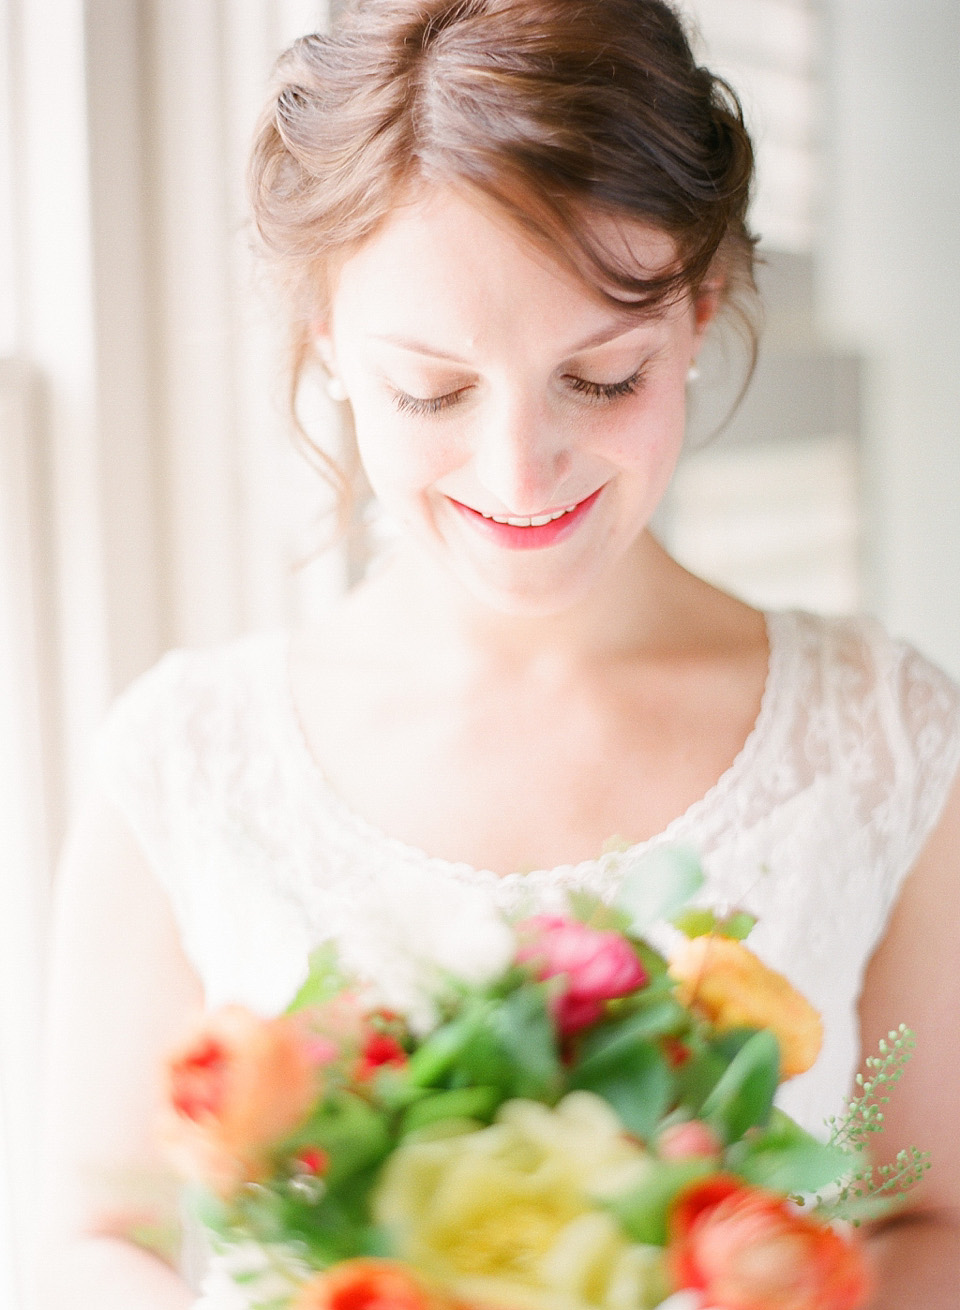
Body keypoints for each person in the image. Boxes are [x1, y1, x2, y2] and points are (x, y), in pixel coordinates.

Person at [34, 1, 960, 1307]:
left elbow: (937, 1215)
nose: (520, 472)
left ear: (699, 308)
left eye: (603, 377)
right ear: (326, 340)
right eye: (432, 389)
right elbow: (95, 1237)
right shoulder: (187, 765)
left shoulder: (886, 737)